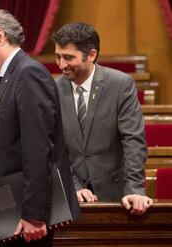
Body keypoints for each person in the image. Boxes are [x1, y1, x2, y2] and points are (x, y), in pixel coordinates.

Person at [0, 10, 80, 246]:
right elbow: (4, 139)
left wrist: (34, 214)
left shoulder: (28, 74)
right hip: (11, 210)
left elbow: (37, 147)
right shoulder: (10, 75)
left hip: (26, 217)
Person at [51, 22, 153, 215]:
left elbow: (133, 140)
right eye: (58, 57)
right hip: (71, 198)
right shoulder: (53, 89)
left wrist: (134, 189)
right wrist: (73, 186)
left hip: (116, 197)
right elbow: (53, 146)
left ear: (91, 55)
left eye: (68, 57)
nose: (61, 64)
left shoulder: (120, 84)